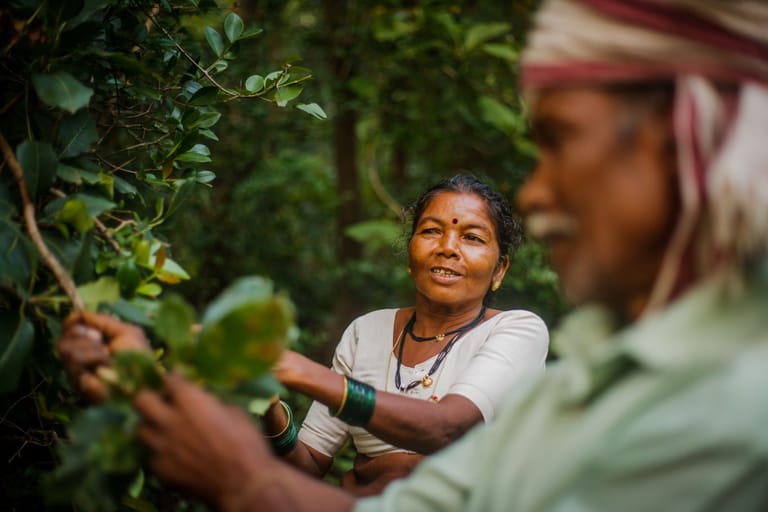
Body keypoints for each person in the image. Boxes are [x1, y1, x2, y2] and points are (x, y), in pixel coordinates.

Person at [57, 0, 768, 510]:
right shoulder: (588, 386)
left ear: (685, 145)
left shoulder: (731, 402)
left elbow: (448, 428)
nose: (539, 191)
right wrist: (154, 397)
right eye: (432, 230)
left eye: (561, 140)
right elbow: (309, 477)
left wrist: (287, 375)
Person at [59, 175, 550, 495]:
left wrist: (293, 367)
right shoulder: (368, 330)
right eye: (432, 231)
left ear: (500, 270)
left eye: (471, 237)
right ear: (410, 254)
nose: (448, 248)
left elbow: (447, 428)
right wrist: (270, 405)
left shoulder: (518, 331)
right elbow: (307, 466)